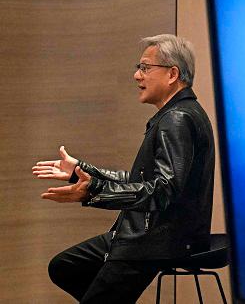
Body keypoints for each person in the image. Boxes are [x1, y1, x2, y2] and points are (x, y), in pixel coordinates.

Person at [33, 34, 215, 303]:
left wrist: (92, 192)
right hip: (143, 233)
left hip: (154, 241)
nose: (137, 76)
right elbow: (138, 180)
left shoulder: (176, 119)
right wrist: (81, 171)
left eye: (145, 68)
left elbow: (163, 191)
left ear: (172, 74)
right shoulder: (176, 115)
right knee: (64, 267)